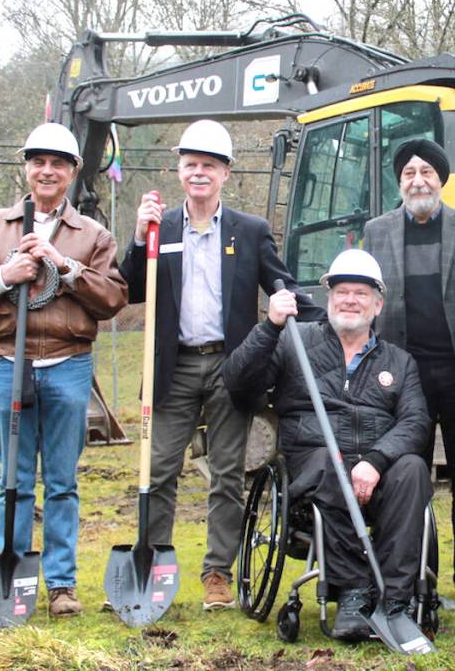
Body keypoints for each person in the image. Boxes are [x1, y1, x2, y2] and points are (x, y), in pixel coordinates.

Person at [119, 120, 324, 611]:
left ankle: (217, 575)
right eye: (190, 165)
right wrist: (135, 238)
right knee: (160, 469)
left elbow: (283, 286)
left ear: (225, 173)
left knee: (228, 474)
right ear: (179, 170)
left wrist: (335, 318)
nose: (199, 173)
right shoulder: (161, 229)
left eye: (209, 165)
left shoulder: (249, 232)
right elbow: (129, 289)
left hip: (231, 367)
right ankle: (152, 564)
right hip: (172, 367)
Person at [0, 122, 128, 617]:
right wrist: (4, 276)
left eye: (58, 164)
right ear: (26, 167)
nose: (47, 172)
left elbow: (113, 298)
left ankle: (62, 585)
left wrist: (63, 266)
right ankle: (14, 574)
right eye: (38, 162)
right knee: (15, 479)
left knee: (63, 480)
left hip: (68, 366)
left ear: (73, 172)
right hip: (9, 363)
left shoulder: (93, 236)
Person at [222, 249, 432, 641]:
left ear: (378, 303)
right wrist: (269, 326)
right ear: (328, 298)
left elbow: (416, 421)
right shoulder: (292, 342)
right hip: (314, 464)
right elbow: (237, 384)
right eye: (342, 292)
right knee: (326, 464)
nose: (350, 300)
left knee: (413, 469)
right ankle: (354, 592)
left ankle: (396, 603)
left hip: (377, 468)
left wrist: (376, 460)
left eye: (361, 293)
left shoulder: (399, 362)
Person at [361, 139, 455, 611]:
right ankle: (419, 573)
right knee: (409, 478)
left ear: (441, 179)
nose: (418, 180)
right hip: (402, 377)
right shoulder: (376, 232)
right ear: (400, 183)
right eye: (409, 173)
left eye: (426, 173)